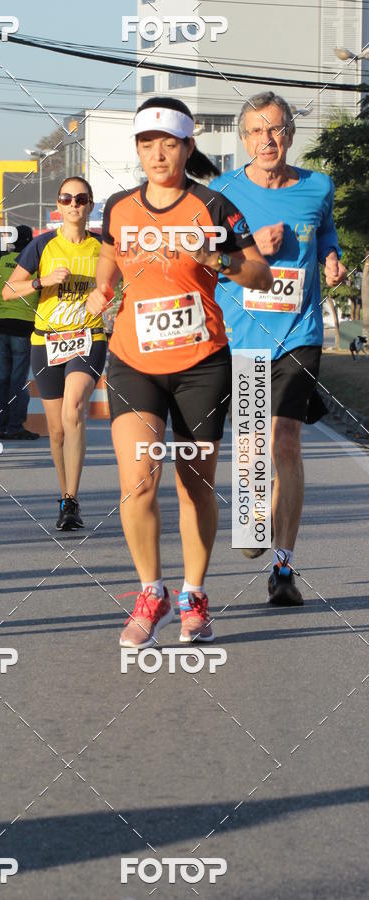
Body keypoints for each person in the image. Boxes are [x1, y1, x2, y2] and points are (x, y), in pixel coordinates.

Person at [86, 96, 272, 647]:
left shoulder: (213, 206)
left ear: (189, 147)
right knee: (138, 482)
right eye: (148, 144)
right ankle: (152, 592)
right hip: (133, 361)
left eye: (169, 144)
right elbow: (109, 254)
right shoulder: (119, 207)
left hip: (201, 364)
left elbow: (260, 274)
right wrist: (102, 288)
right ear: (138, 149)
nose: (158, 154)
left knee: (195, 486)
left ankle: (194, 596)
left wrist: (222, 261)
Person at [210, 92, 347, 606]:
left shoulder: (318, 186)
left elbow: (326, 232)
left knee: (286, 440)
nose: (267, 139)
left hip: (299, 334)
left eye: (276, 129)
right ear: (243, 138)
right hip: (243, 337)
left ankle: (284, 567)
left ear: (289, 133)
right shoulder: (221, 193)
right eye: (256, 131)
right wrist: (250, 256)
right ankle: (254, 520)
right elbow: (201, 259)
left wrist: (331, 258)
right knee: (251, 445)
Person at [2, 177, 105, 530]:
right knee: (57, 430)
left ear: (90, 205)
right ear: (58, 205)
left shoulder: (102, 247)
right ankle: (64, 496)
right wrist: (41, 282)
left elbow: (125, 285)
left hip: (88, 337)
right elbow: (8, 291)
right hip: (46, 342)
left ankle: (73, 499)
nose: (74, 204)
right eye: (67, 198)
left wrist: (108, 298)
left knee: (73, 410)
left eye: (81, 198)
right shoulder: (42, 245)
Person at [0, 225, 40, 440]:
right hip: (24, 327)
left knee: (3, 378)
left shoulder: (1, 262)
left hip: (3, 326)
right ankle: (15, 427)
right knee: (17, 380)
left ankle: (2, 426)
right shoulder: (36, 264)